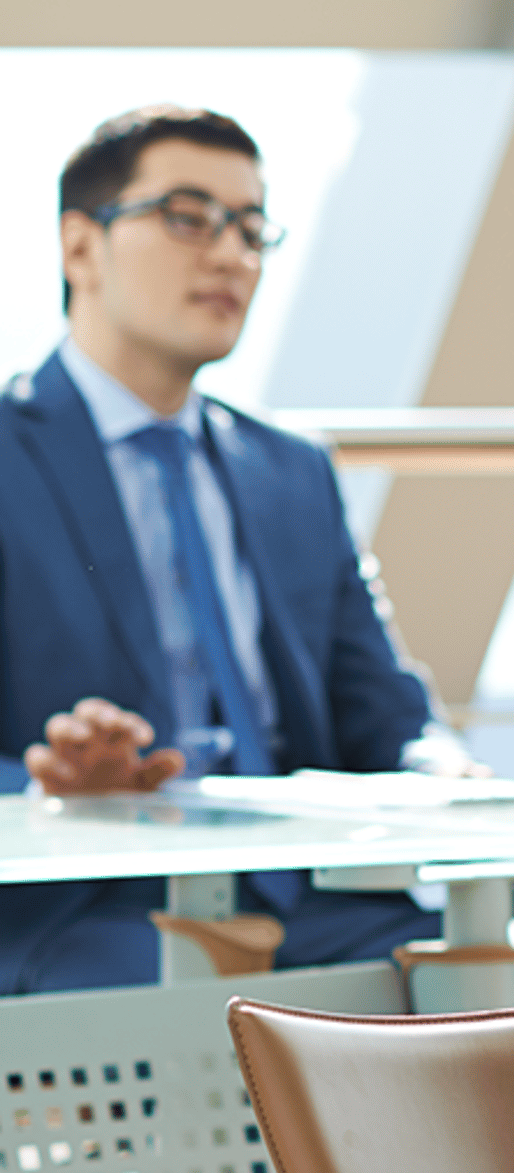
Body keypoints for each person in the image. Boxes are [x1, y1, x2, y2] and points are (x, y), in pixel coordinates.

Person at [0, 106, 466, 994]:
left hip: (311, 899)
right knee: (168, 1015)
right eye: (188, 218)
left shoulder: (291, 470)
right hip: (87, 912)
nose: (231, 257)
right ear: (80, 248)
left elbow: (387, 711)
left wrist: (442, 769)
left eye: (252, 230)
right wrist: (48, 788)